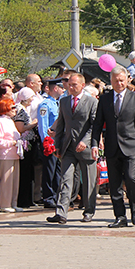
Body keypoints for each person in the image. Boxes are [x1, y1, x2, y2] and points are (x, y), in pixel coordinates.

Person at [91, 65, 135, 228]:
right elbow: (97, 124)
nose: (119, 84)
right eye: (116, 81)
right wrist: (95, 143)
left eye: (122, 80)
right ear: (111, 81)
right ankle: (120, 216)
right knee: (114, 184)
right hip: (112, 146)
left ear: (127, 80)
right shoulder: (105, 99)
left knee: (131, 179)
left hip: (130, 145)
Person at [47, 74, 99, 224]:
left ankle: (88, 211)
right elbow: (61, 124)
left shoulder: (92, 102)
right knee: (65, 179)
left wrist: (86, 141)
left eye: (74, 85)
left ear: (82, 85)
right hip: (68, 146)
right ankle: (61, 212)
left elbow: (94, 125)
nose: (71, 87)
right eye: (69, 84)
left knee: (88, 181)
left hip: (85, 148)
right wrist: (57, 145)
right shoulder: (64, 101)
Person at [38, 78, 65, 209]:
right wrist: (46, 142)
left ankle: (56, 195)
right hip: (50, 143)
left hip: (58, 142)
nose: (63, 90)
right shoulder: (45, 104)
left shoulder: (58, 103)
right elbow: (43, 125)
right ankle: (48, 197)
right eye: (61, 87)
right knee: (49, 170)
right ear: (55, 88)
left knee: (57, 171)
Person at [13, 88, 38, 208]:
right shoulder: (20, 110)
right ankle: (23, 200)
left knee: (29, 172)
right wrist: (33, 124)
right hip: (24, 145)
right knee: (24, 172)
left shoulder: (24, 109)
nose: (32, 99)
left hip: (28, 144)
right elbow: (21, 128)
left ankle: (28, 199)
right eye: (31, 97)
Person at [0, 98, 23, 212]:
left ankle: (13, 203)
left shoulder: (10, 121)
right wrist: (11, 143)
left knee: (14, 180)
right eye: (12, 107)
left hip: (15, 153)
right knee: (6, 181)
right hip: (5, 154)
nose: (15, 110)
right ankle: (5, 204)